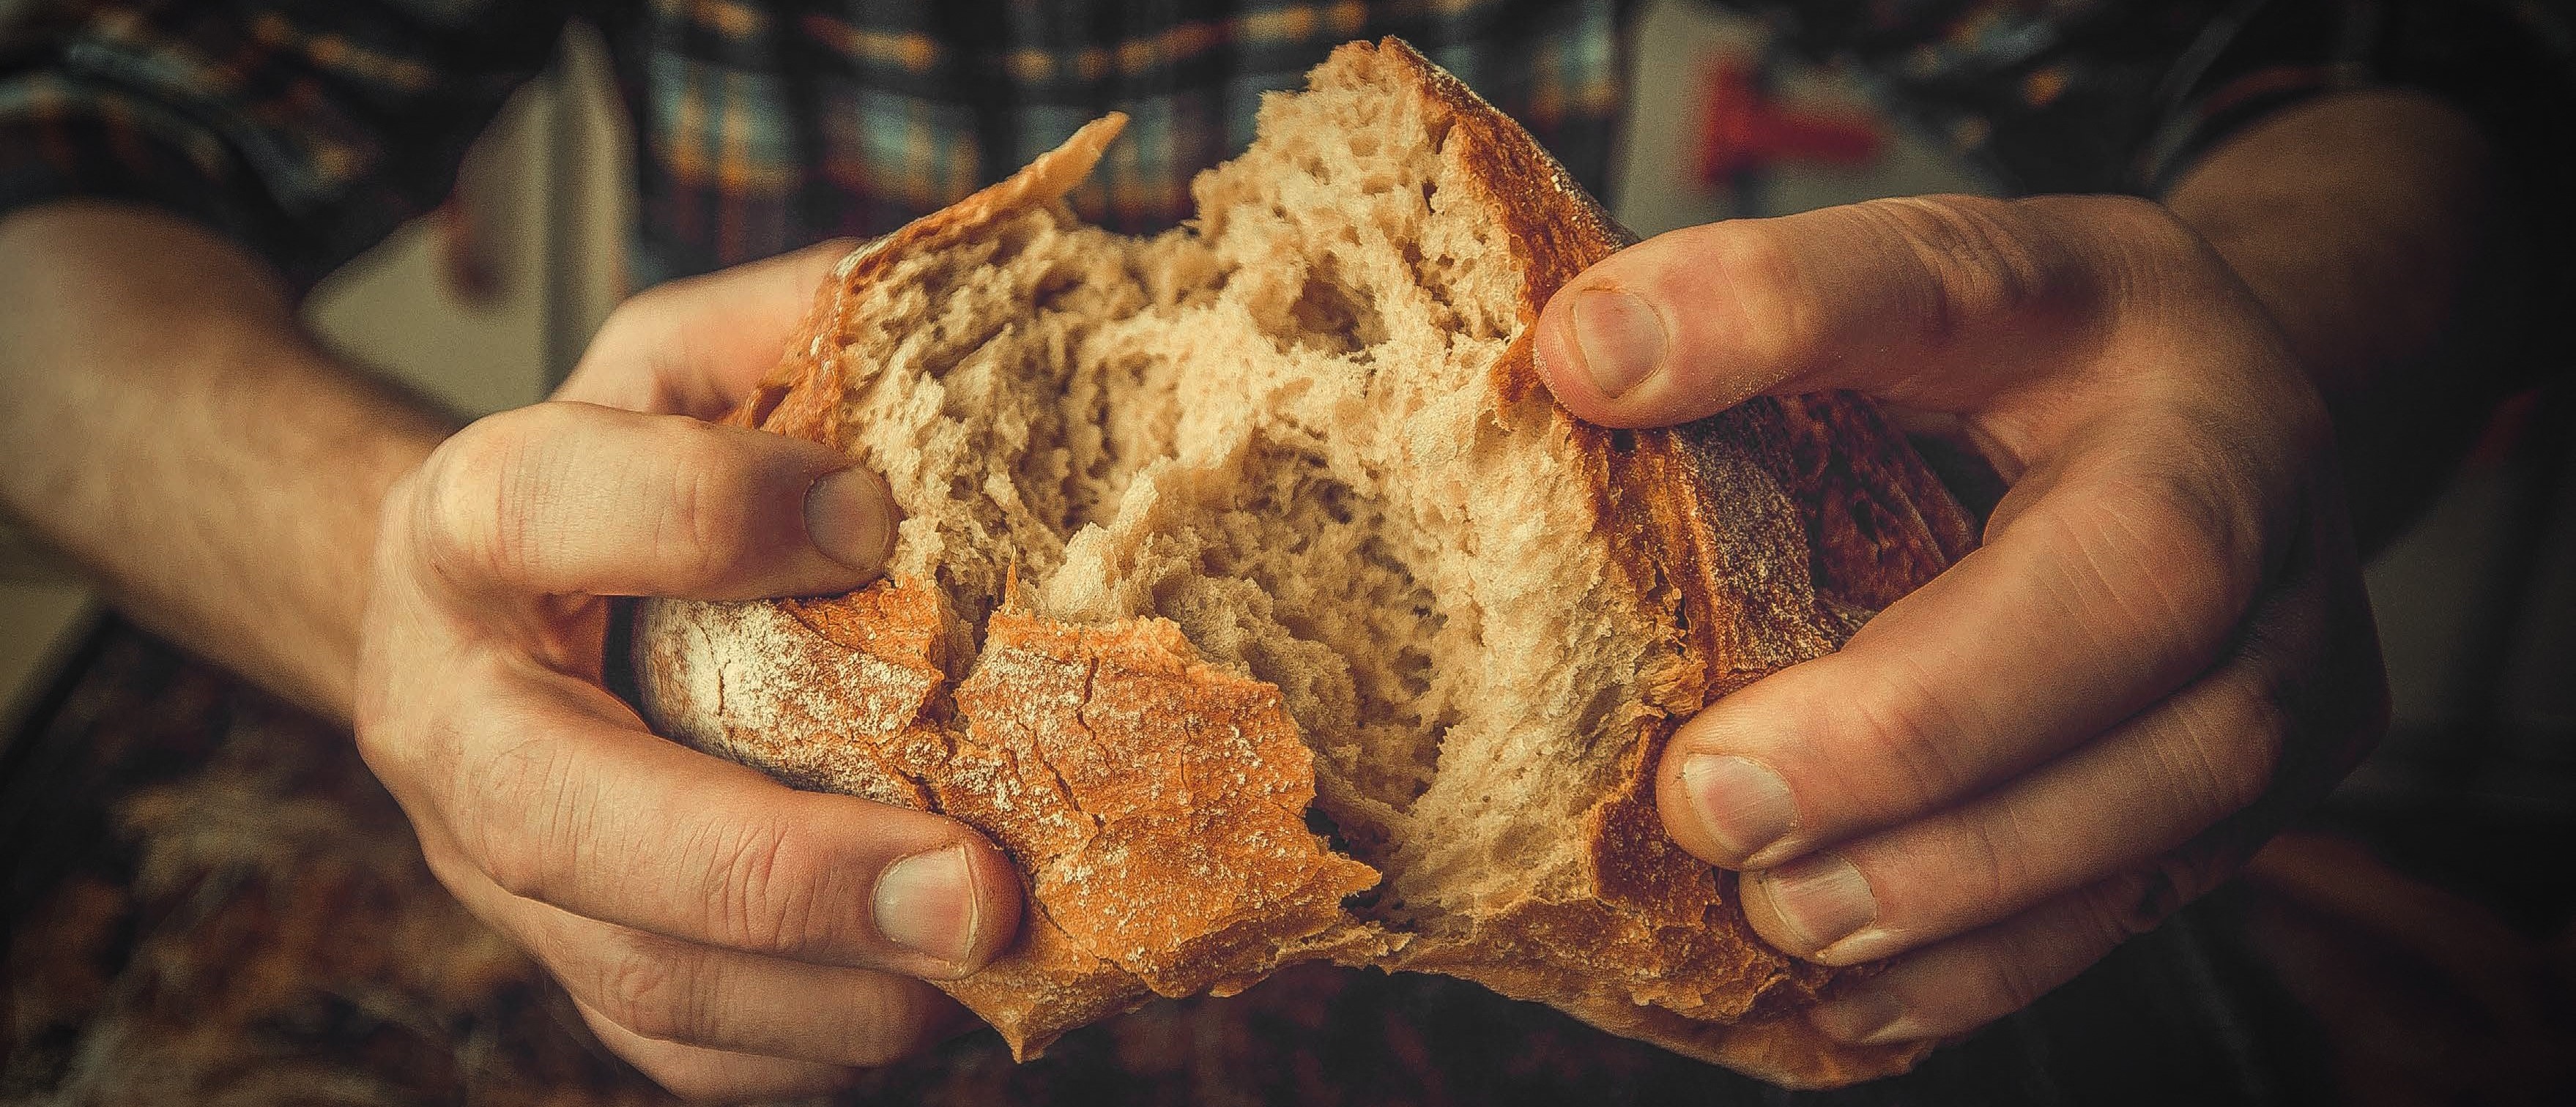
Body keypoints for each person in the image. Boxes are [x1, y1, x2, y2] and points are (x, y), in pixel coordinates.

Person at [0, 0, 2564, 1098]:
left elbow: (2389, 71)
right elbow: (53, 168)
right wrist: (413, 565)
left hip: (1779, 871)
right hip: (771, 831)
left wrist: (2271, 383)